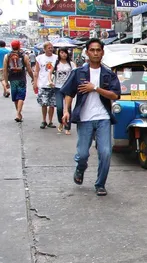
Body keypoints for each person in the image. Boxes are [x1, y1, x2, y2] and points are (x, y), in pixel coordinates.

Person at [61, 38, 121, 197]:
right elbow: (69, 93)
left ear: (102, 52)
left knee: (106, 153)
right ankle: (80, 168)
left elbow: (115, 94)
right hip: (84, 119)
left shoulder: (109, 74)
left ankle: (100, 184)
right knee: (82, 154)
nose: (95, 53)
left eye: (98, 50)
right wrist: (66, 111)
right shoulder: (78, 72)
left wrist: (95, 88)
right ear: (87, 52)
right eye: (92, 50)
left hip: (103, 118)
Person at [2, 40, 34, 122]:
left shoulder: (7, 56)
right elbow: (29, 69)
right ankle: (18, 113)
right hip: (21, 78)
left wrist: (6, 81)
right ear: (19, 46)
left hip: (12, 79)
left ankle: (18, 113)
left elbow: (5, 70)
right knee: (21, 97)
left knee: (15, 97)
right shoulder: (24, 56)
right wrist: (33, 78)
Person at [49, 48, 76, 135]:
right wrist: (50, 81)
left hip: (68, 88)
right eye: (62, 53)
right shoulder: (56, 63)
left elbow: (75, 74)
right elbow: (50, 73)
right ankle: (61, 122)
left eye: (65, 53)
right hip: (58, 87)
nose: (64, 54)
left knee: (68, 107)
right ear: (59, 54)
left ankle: (67, 127)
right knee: (60, 107)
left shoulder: (71, 64)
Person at [34, 41, 58, 129]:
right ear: (44, 49)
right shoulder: (39, 58)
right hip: (43, 84)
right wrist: (35, 82)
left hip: (53, 84)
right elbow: (36, 71)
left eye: (52, 48)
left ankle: (50, 121)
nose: (51, 49)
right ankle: (44, 120)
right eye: (49, 48)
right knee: (44, 103)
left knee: (52, 104)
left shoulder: (56, 58)